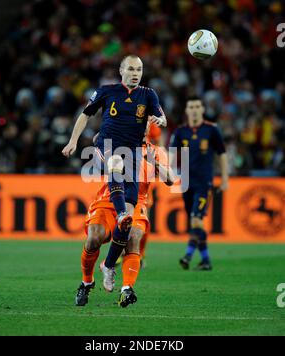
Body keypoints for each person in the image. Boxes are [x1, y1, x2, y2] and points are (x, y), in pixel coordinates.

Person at [62, 55, 167, 286]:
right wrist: (73, 141)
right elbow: (85, 114)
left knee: (127, 223)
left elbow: (162, 116)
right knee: (114, 165)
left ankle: (109, 265)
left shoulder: (148, 94)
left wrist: (161, 121)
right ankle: (119, 213)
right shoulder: (106, 91)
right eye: (130, 69)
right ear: (121, 71)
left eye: (139, 69)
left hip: (134, 155)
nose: (135, 73)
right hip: (105, 147)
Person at [76, 142, 175, 307]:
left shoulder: (156, 151)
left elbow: (170, 179)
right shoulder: (117, 140)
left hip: (137, 202)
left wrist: (153, 161)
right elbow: (98, 161)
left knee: (134, 236)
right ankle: (86, 283)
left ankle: (127, 289)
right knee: (94, 238)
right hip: (109, 199)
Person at [169, 96, 229, 270]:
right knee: (196, 222)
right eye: (191, 106)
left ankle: (188, 255)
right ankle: (206, 260)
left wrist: (224, 178)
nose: (194, 109)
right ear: (187, 111)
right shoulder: (180, 132)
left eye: (197, 106)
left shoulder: (211, 130)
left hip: (204, 183)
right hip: (186, 183)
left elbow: (222, 154)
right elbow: (172, 155)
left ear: (202, 109)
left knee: (196, 219)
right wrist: (168, 172)